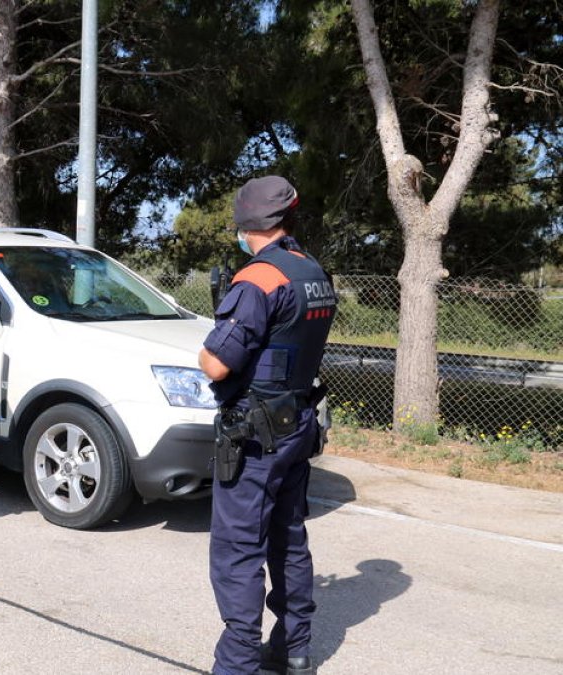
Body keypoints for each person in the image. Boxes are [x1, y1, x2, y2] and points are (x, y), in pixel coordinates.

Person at [198, 176, 337, 675]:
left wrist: (208, 342)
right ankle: (293, 649)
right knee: (289, 536)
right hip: (298, 422)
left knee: (239, 550)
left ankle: (237, 664)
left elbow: (217, 364)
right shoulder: (312, 271)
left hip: (256, 433)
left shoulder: (258, 279)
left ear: (246, 222)